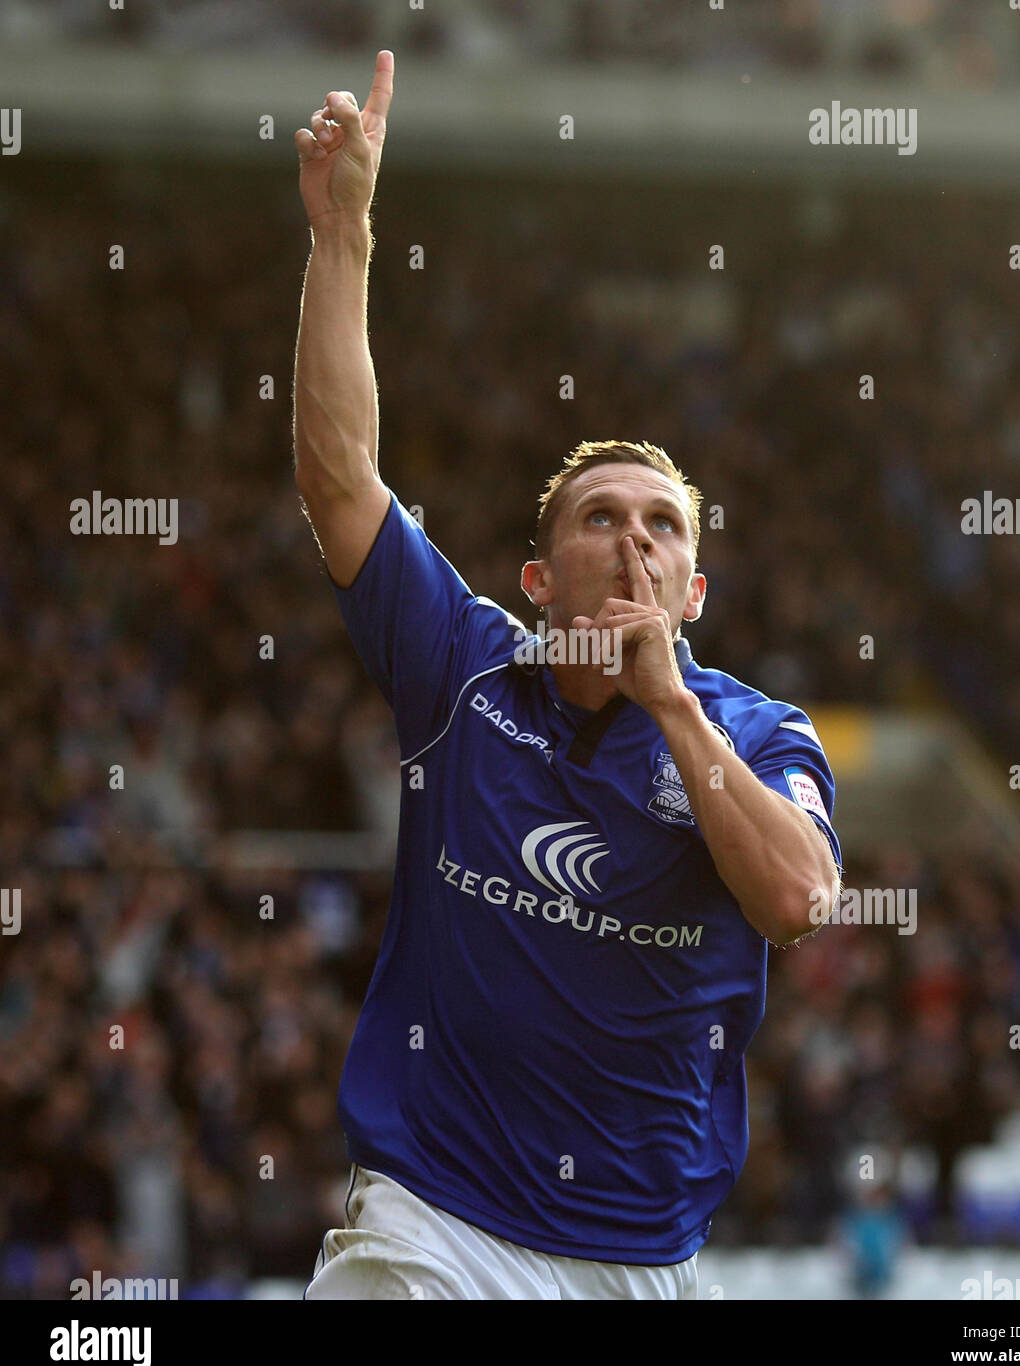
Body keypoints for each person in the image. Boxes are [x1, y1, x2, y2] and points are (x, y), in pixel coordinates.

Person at [294, 51, 842, 1300]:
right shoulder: (462, 671)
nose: (631, 539)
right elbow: (339, 477)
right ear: (537, 579)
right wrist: (344, 237)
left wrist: (666, 701)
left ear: (691, 593)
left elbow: (800, 897)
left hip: (637, 1258)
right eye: (597, 517)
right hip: (432, 1218)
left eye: (661, 526)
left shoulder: (760, 736)